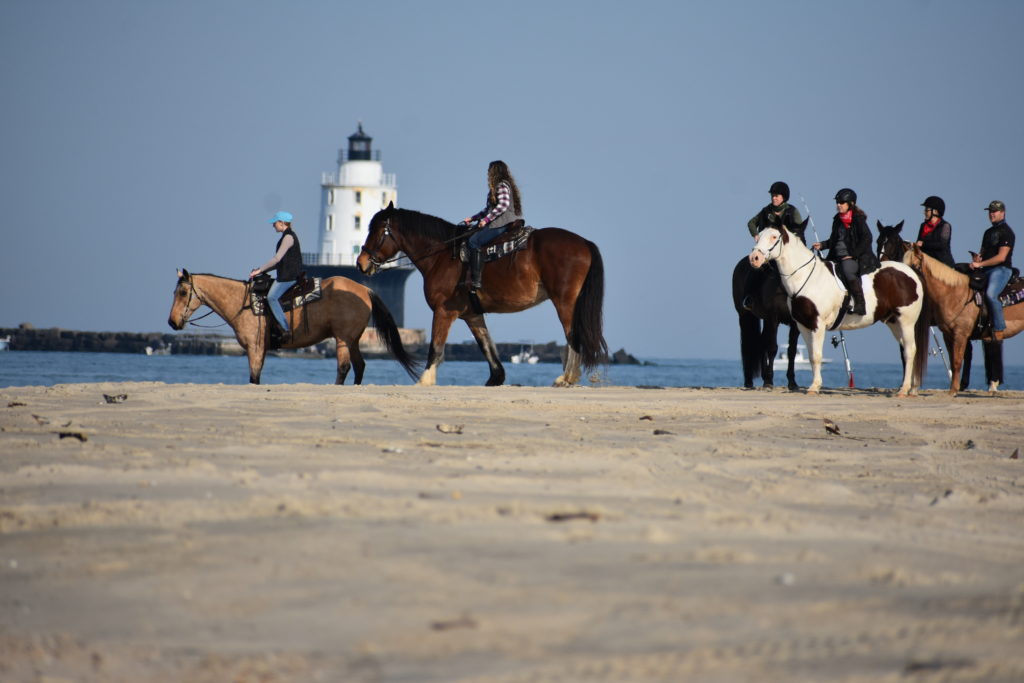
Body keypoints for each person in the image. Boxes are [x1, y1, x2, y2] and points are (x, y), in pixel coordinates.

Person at [813, 188, 879, 316]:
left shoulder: (858, 219)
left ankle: (860, 304)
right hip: (837, 257)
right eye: (837, 202)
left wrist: (853, 254)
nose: (838, 205)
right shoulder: (837, 220)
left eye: (842, 202)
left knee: (847, 269)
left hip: (857, 258)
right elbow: (834, 240)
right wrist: (822, 245)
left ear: (851, 204)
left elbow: (867, 238)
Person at [461, 160, 524, 292]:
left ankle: (476, 279)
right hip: (500, 220)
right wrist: (473, 218)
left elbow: (502, 206)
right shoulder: (499, 187)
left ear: (494, 172)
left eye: (489, 171)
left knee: (474, 241)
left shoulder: (501, 186)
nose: (487, 174)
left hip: (503, 222)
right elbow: (487, 210)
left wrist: (486, 220)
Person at [249, 210, 303, 344]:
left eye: (275, 223)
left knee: (272, 297)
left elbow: (277, 259)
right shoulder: (286, 236)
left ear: (282, 223)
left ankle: (285, 329)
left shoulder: (288, 237)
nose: (273, 225)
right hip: (285, 274)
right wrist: (260, 271)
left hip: (288, 276)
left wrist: (260, 270)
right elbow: (280, 263)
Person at [969, 201, 1015, 338]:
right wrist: (977, 259)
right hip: (985, 268)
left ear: (1003, 212)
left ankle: (999, 329)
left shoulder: (1007, 232)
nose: (991, 214)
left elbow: (1001, 257)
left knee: (990, 295)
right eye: (990, 211)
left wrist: (981, 264)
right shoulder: (988, 232)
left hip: (1001, 269)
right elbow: (982, 252)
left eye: (994, 211)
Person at [915, 195, 955, 267]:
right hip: (927, 263)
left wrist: (923, 244)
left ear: (935, 211)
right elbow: (919, 243)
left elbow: (942, 245)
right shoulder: (923, 226)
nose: (924, 212)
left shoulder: (945, 226)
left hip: (943, 265)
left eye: (927, 210)